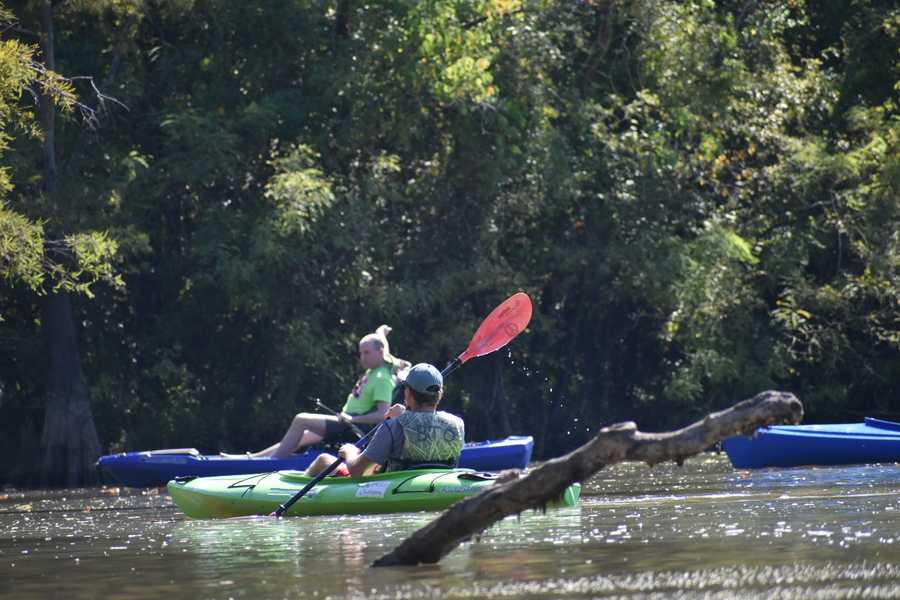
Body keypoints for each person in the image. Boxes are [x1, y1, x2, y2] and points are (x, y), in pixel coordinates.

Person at [223, 325, 409, 459]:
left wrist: (353, 419)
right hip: (346, 421)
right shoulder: (376, 369)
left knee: (301, 419)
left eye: (367, 353)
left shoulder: (382, 378)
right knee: (303, 436)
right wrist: (381, 332)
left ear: (380, 352)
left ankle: (272, 464)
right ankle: (253, 458)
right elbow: (380, 342)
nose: (363, 357)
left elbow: (382, 415)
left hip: (354, 429)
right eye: (361, 353)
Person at [303, 363, 465, 477]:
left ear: (407, 392)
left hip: (392, 486)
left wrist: (349, 452)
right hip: (437, 482)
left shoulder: (393, 425)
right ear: (440, 394)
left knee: (324, 459)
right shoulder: (458, 424)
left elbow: (358, 472)